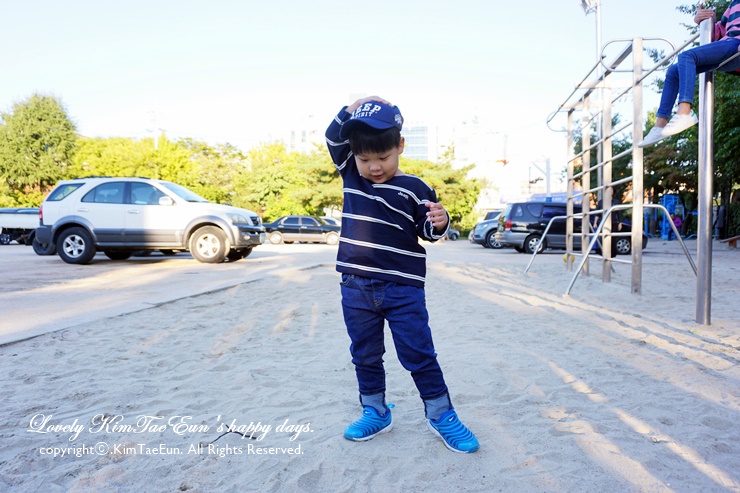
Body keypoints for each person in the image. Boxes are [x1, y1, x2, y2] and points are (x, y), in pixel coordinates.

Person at [325, 96, 479, 454]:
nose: (374, 167)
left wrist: (441, 221)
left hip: (403, 288)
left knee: (419, 353)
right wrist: (354, 106)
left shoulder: (416, 188)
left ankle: (441, 414)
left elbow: (429, 231)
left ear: (400, 146)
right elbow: (333, 137)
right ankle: (375, 411)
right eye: (365, 158)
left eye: (383, 157)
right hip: (355, 287)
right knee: (364, 354)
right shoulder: (351, 174)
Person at [640, 1, 740, 147]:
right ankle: (659, 126)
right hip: (728, 47)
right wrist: (703, 21)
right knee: (674, 72)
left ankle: (685, 112)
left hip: (736, 45)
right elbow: (716, 34)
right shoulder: (733, 4)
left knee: (687, 56)